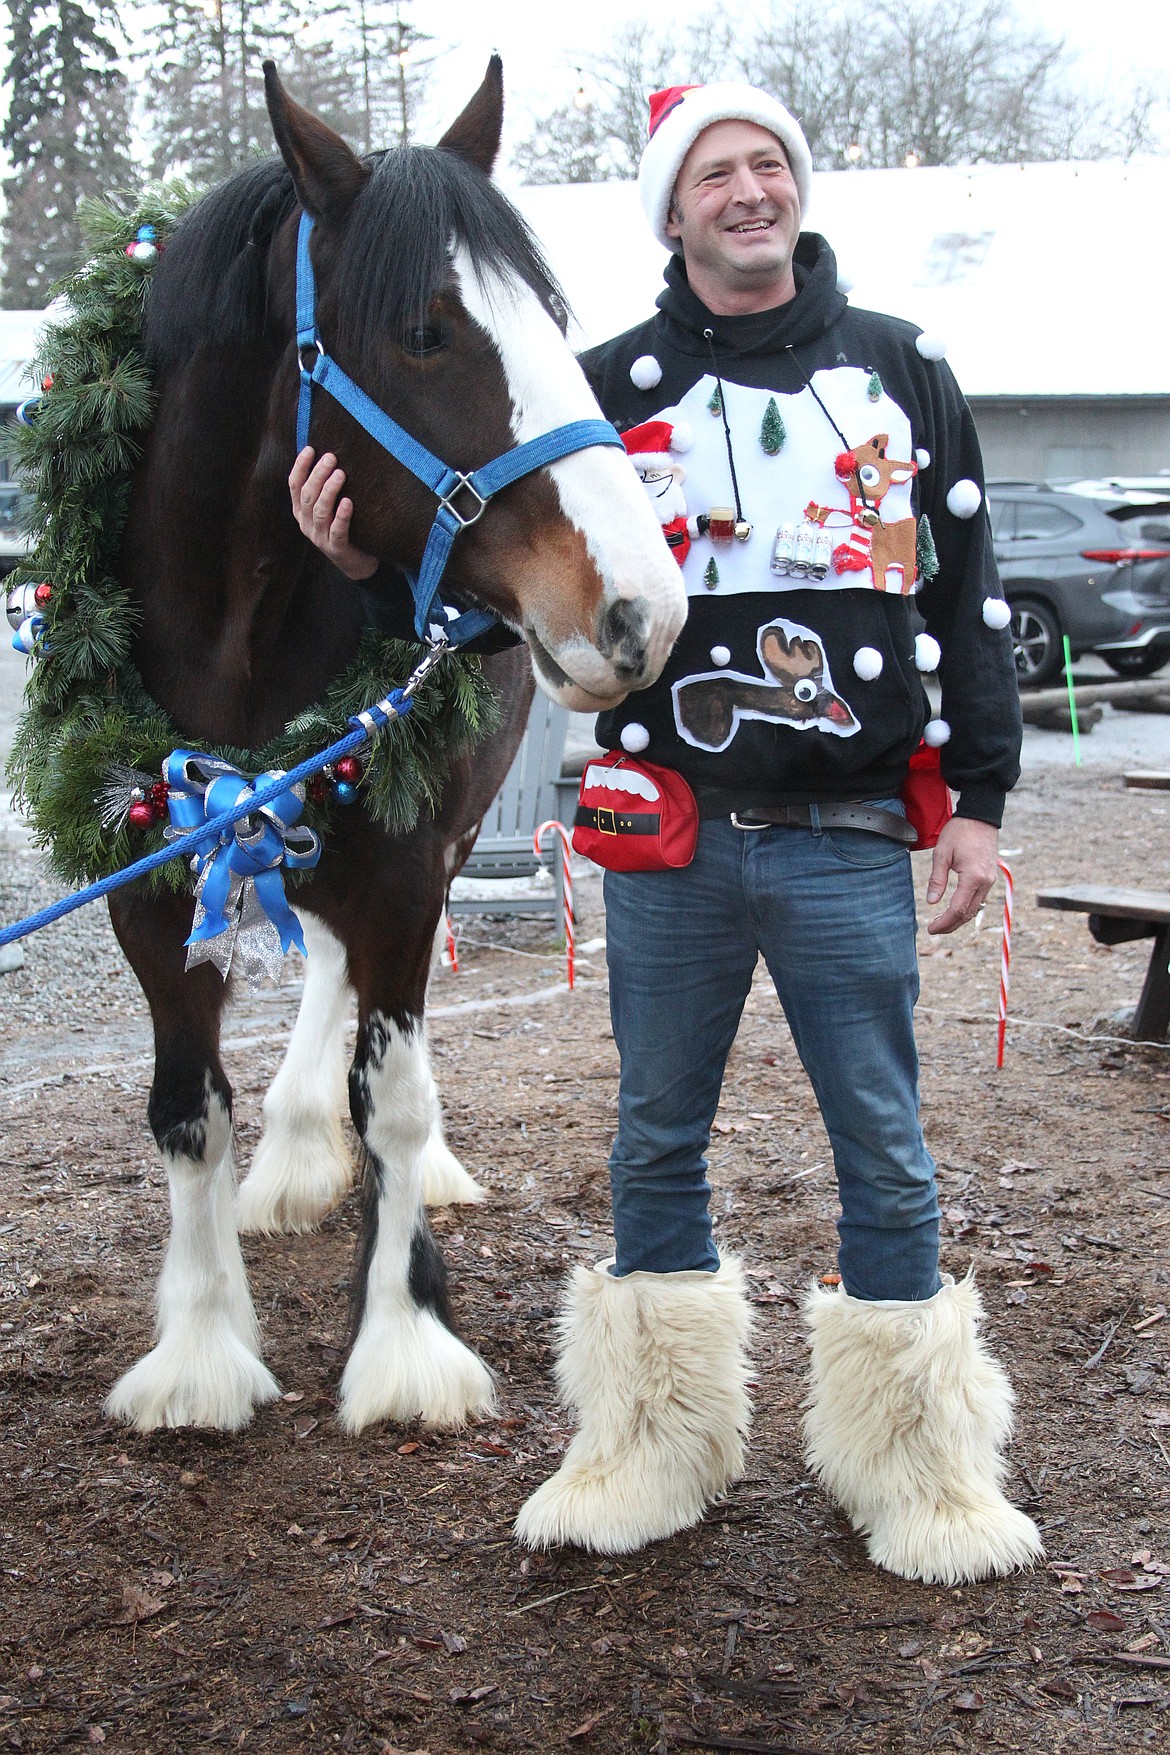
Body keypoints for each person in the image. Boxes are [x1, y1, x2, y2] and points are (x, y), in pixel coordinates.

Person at [290, 82, 1043, 1587]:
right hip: (669, 834)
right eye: (714, 173)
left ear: (796, 191)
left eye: (769, 164)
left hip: (842, 832)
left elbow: (964, 598)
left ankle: (917, 1469)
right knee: (653, 1144)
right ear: (670, 210)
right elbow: (494, 592)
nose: (747, 190)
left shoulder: (901, 369)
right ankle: (651, 1444)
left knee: (884, 1153)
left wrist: (978, 804)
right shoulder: (600, 382)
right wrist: (366, 569)